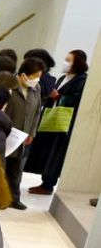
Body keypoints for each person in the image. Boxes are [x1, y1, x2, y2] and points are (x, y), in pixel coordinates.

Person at [29, 49, 89, 196]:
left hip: (64, 122)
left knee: (56, 151)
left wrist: (58, 96)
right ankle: (44, 181)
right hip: (52, 118)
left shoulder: (82, 80)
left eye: (69, 60)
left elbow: (77, 100)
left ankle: (48, 184)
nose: (65, 63)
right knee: (47, 149)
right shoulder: (63, 78)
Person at [0, 61, 44, 210]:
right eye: (35, 75)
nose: (37, 79)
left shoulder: (36, 89)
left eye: (39, 76)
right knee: (0, 165)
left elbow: (37, 113)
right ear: (23, 75)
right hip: (6, 133)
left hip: (23, 136)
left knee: (17, 168)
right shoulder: (9, 87)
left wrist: (32, 132)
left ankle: (14, 198)